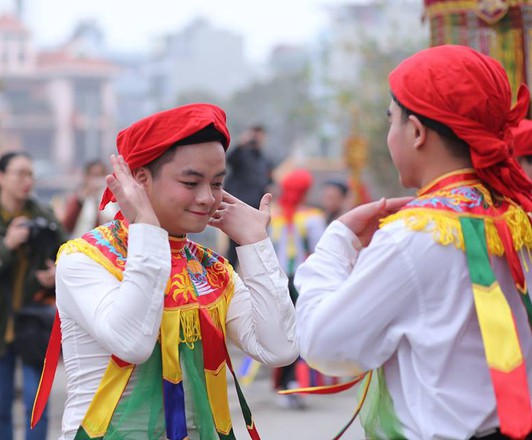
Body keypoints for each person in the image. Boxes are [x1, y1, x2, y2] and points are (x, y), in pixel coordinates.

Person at [295, 45, 532, 440]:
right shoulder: (515, 216)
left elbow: (324, 345)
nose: (391, 135)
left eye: (393, 121)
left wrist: (337, 242)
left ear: (417, 132)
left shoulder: (415, 234)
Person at [45, 103, 297, 439]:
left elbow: (279, 348)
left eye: (218, 183)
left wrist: (254, 243)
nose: (208, 198)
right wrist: (146, 227)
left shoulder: (211, 269)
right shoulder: (85, 259)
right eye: (191, 182)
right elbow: (132, 342)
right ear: (140, 180)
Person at [0, 151, 66, 440]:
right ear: (0, 177)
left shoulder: (43, 216)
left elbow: (69, 253)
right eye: (20, 173)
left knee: (37, 405)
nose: (27, 181)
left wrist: (56, 272)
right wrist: (7, 245)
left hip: (34, 323)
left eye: (30, 174)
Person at [268, 169, 325, 409]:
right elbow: (321, 251)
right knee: (301, 331)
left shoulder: (272, 216)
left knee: (285, 332)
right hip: (302, 282)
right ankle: (296, 383)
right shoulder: (313, 217)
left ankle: (289, 383)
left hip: (276, 282)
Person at [223, 124, 274, 268]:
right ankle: (230, 275)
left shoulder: (265, 160)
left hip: (256, 209)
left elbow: (269, 180)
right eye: (255, 133)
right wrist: (241, 143)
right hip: (238, 206)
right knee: (234, 244)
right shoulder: (241, 154)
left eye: (260, 134)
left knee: (254, 245)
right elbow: (229, 160)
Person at [60, 159, 119, 237]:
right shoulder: (78, 198)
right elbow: (67, 225)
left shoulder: (114, 199)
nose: (97, 180)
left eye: (101, 175)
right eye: (94, 175)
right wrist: (82, 200)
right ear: (86, 177)